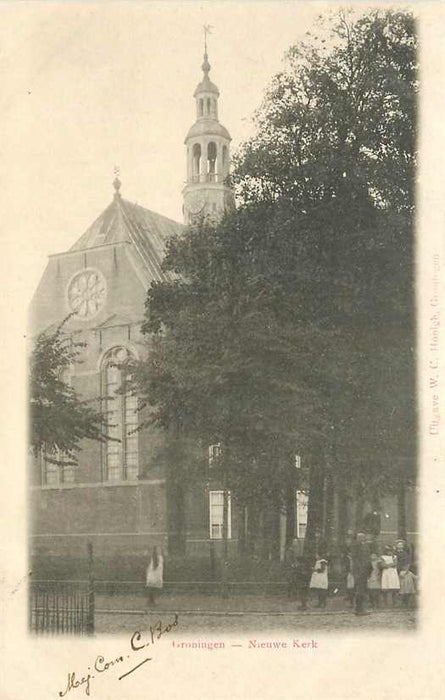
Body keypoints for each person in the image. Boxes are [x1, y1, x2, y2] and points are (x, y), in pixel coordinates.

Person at [350, 530, 373, 615]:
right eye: (361, 537)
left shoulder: (366, 546)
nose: (363, 538)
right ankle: (358, 609)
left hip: (365, 570)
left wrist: (369, 569)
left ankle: (362, 608)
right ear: (357, 538)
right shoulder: (355, 546)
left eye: (363, 537)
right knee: (360, 590)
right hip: (359, 571)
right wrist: (360, 569)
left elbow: (368, 558)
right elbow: (355, 559)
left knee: (363, 589)